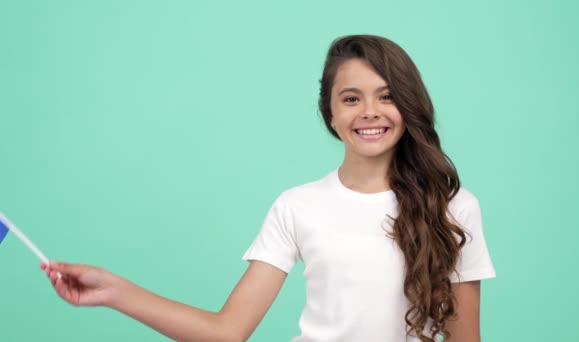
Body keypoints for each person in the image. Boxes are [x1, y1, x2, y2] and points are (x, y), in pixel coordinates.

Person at [42, 34, 496, 342]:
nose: (370, 112)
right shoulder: (297, 206)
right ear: (331, 114)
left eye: (387, 95)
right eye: (351, 98)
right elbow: (228, 331)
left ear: (408, 105)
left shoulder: (453, 207)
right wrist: (114, 291)